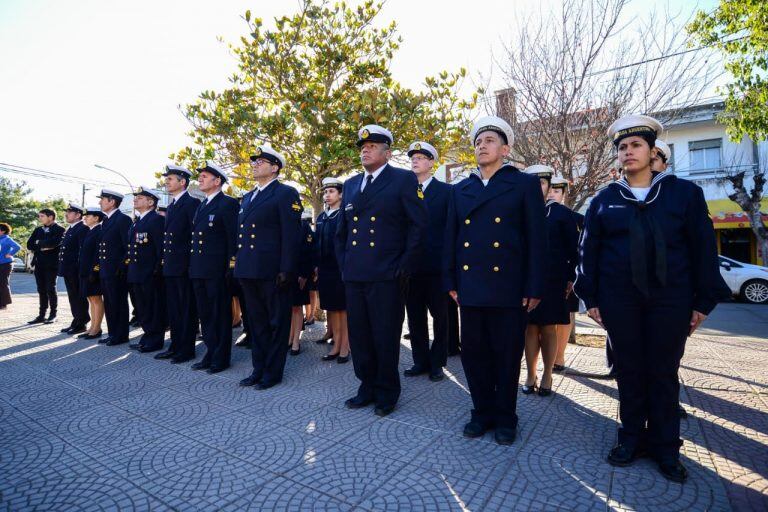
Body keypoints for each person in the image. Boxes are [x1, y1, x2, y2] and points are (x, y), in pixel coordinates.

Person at [574, 114, 729, 483]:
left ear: (653, 150)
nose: (628, 152)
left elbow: (702, 248)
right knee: (628, 371)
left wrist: (702, 301)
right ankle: (630, 439)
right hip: (619, 300)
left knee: (662, 372)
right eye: (622, 148)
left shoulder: (683, 193)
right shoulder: (604, 200)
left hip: (670, 300)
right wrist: (590, 296)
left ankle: (665, 447)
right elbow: (588, 251)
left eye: (636, 146)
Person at [444, 116, 546, 445]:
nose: (481, 145)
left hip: (510, 288)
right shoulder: (461, 189)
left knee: (505, 355)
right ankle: (481, 412)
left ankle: (506, 416)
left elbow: (536, 240)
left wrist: (534, 286)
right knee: (474, 355)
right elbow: (451, 238)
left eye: (489, 140)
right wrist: (451, 280)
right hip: (471, 288)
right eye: (478, 141)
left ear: (505, 148)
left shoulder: (524, 185)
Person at [335, 124, 428, 417]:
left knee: (385, 335)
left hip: (387, 274)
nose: (365, 149)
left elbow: (419, 226)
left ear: (387, 152)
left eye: (372, 146)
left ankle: (387, 391)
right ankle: (367, 386)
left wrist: (404, 265)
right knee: (360, 336)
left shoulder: (402, 179)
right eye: (363, 146)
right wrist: (345, 264)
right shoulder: (350, 184)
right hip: (356, 274)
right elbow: (342, 232)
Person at [235, 145, 302, 389]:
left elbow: (291, 235)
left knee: (276, 323)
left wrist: (287, 269)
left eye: (260, 162)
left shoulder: (285, 193)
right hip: (249, 270)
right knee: (257, 323)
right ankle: (258, 369)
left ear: (275, 168)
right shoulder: (248, 196)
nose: (254, 164)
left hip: (273, 272)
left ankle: (272, 373)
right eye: (254, 161)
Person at [521, 166, 579, 396]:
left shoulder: (561, 214)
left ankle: (547, 375)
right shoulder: (520, 211)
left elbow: (574, 249)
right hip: (526, 279)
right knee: (529, 327)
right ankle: (530, 373)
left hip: (553, 279)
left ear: (549, 187)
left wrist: (571, 278)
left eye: (543, 184)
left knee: (549, 326)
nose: (538, 188)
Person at [403, 141, 451, 382]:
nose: (415, 160)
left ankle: (437, 363)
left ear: (432, 163)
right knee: (415, 317)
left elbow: (451, 230)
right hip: (411, 267)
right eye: (413, 157)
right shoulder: (403, 189)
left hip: (436, 267)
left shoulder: (446, 192)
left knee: (441, 317)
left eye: (421, 157)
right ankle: (420, 361)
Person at [189, 162, 239, 374]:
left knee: (219, 314)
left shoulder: (227, 204)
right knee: (206, 314)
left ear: (217, 181)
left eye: (205, 176)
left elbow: (232, 239)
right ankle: (210, 352)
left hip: (217, 270)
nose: (200, 179)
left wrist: (231, 266)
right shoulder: (202, 205)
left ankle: (221, 357)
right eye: (200, 176)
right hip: (199, 269)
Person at [156, 165, 201, 364]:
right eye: (166, 179)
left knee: (186, 308)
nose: (167, 182)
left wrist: (190, 264)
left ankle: (186, 348)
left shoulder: (192, 203)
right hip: (171, 265)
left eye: (170, 179)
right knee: (174, 308)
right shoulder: (173, 205)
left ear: (182, 182)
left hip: (184, 266)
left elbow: (194, 237)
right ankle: (175, 345)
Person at [548, 176, 584, 372]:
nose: (552, 194)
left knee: (565, 315)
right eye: (550, 189)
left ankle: (559, 356)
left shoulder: (577, 219)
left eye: (557, 191)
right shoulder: (538, 216)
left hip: (568, 275)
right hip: (547, 276)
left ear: (563, 194)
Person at [126, 186, 166, 353]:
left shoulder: (156, 220)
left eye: (140, 198)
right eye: (136, 197)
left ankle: (155, 340)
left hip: (150, 273)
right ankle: (147, 336)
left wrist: (156, 270)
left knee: (153, 307)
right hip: (137, 272)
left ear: (151, 202)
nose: (136, 200)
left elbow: (160, 249)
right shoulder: (139, 221)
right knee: (142, 308)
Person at [315, 177, 349, 363]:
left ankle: (345, 346)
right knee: (332, 309)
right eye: (325, 192)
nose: (327, 195)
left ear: (341, 194)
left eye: (331, 192)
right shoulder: (321, 217)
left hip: (340, 269)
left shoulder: (344, 215)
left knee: (343, 309)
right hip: (325, 269)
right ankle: (336, 343)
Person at [97, 189, 133, 346]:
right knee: (109, 303)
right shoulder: (106, 220)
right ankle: (112, 333)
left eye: (103, 199)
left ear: (112, 202)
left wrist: (121, 267)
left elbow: (128, 247)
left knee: (118, 302)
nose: (100, 202)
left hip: (116, 270)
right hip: (106, 269)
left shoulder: (123, 219)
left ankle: (121, 334)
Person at [26, 208, 65, 324]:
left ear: (51, 217)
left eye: (42, 216)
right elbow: (29, 245)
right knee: (41, 290)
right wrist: (43, 245)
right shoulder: (38, 230)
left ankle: (53, 315)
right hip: (39, 264)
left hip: (52, 265)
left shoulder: (60, 229)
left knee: (50, 289)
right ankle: (41, 315)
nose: (40, 218)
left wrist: (39, 242)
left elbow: (53, 243)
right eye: (39, 216)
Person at [57, 204, 90, 334]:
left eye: (70, 212)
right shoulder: (70, 229)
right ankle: (76, 320)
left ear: (78, 215)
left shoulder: (82, 228)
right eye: (67, 212)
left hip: (75, 269)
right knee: (73, 296)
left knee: (78, 296)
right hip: (68, 268)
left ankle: (81, 322)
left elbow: (83, 250)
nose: (66, 214)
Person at [288, 211, 315, 355]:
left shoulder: (304, 227)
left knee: (297, 308)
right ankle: (290, 337)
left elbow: (308, 252)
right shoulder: (283, 223)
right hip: (284, 273)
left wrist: (304, 274)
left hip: (298, 273)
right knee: (288, 307)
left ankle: (296, 341)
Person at [77, 207, 105, 339]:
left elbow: (98, 254)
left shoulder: (99, 231)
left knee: (96, 298)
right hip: (85, 271)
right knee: (90, 299)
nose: (85, 218)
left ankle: (97, 328)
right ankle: (92, 327)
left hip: (93, 271)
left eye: (88, 216)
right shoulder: (90, 231)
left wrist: (95, 270)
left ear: (96, 218)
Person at [0, 223, 21, 310]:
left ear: (3, 231)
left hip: (5, 264)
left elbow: (17, 247)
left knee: (3, 283)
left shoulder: (7, 239)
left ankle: (4, 304)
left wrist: (10, 254)